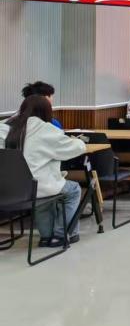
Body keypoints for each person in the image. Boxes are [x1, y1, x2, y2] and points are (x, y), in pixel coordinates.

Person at [0, 95, 85, 246]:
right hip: (37, 188)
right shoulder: (44, 129)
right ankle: (60, 235)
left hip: (8, 190)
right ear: (46, 111)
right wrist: (80, 141)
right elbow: (72, 148)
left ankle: (46, 237)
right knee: (73, 190)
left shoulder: (4, 126)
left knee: (40, 195)